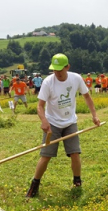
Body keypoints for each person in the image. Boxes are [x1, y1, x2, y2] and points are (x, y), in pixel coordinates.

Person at [26, 53, 100, 198]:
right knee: (46, 155)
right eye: (54, 69)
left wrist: (94, 115)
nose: (57, 73)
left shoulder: (76, 78)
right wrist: (44, 121)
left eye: (60, 69)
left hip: (70, 122)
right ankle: (34, 185)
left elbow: (87, 96)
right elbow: (40, 106)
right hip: (52, 124)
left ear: (67, 67)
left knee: (75, 153)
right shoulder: (48, 82)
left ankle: (77, 182)